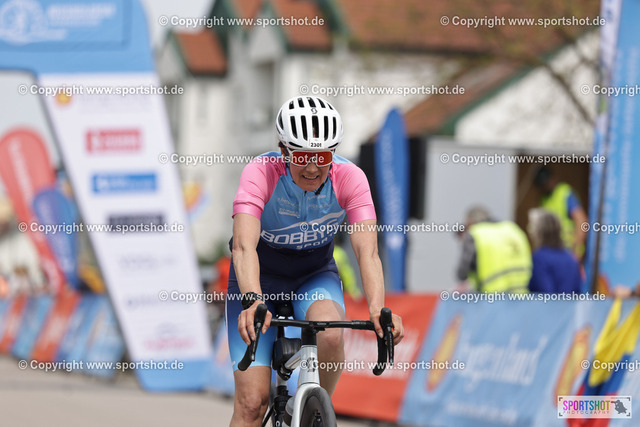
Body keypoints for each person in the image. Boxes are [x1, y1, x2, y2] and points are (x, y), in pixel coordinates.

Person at [226, 96, 404, 426]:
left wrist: (378, 309)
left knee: (331, 335)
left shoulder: (350, 177)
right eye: (302, 156)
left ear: (333, 153)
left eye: (321, 157)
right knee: (251, 404)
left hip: (313, 275)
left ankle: (312, 409)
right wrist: (251, 300)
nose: (312, 168)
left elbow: (367, 251)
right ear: (283, 151)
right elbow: (243, 246)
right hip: (259, 277)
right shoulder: (260, 172)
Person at [456, 206, 532, 293]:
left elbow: (462, 273)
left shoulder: (476, 233)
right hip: (520, 294)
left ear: (470, 223)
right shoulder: (513, 229)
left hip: (492, 295)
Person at [534, 166, 588, 260]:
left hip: (569, 251)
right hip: (553, 252)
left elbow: (582, 221)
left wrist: (576, 250)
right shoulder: (544, 199)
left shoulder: (564, 193)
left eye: (546, 182)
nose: (545, 186)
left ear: (553, 178)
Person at [527, 208, 582, 294]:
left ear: (540, 232)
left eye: (532, 227)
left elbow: (546, 293)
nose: (529, 231)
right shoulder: (571, 259)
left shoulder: (539, 258)